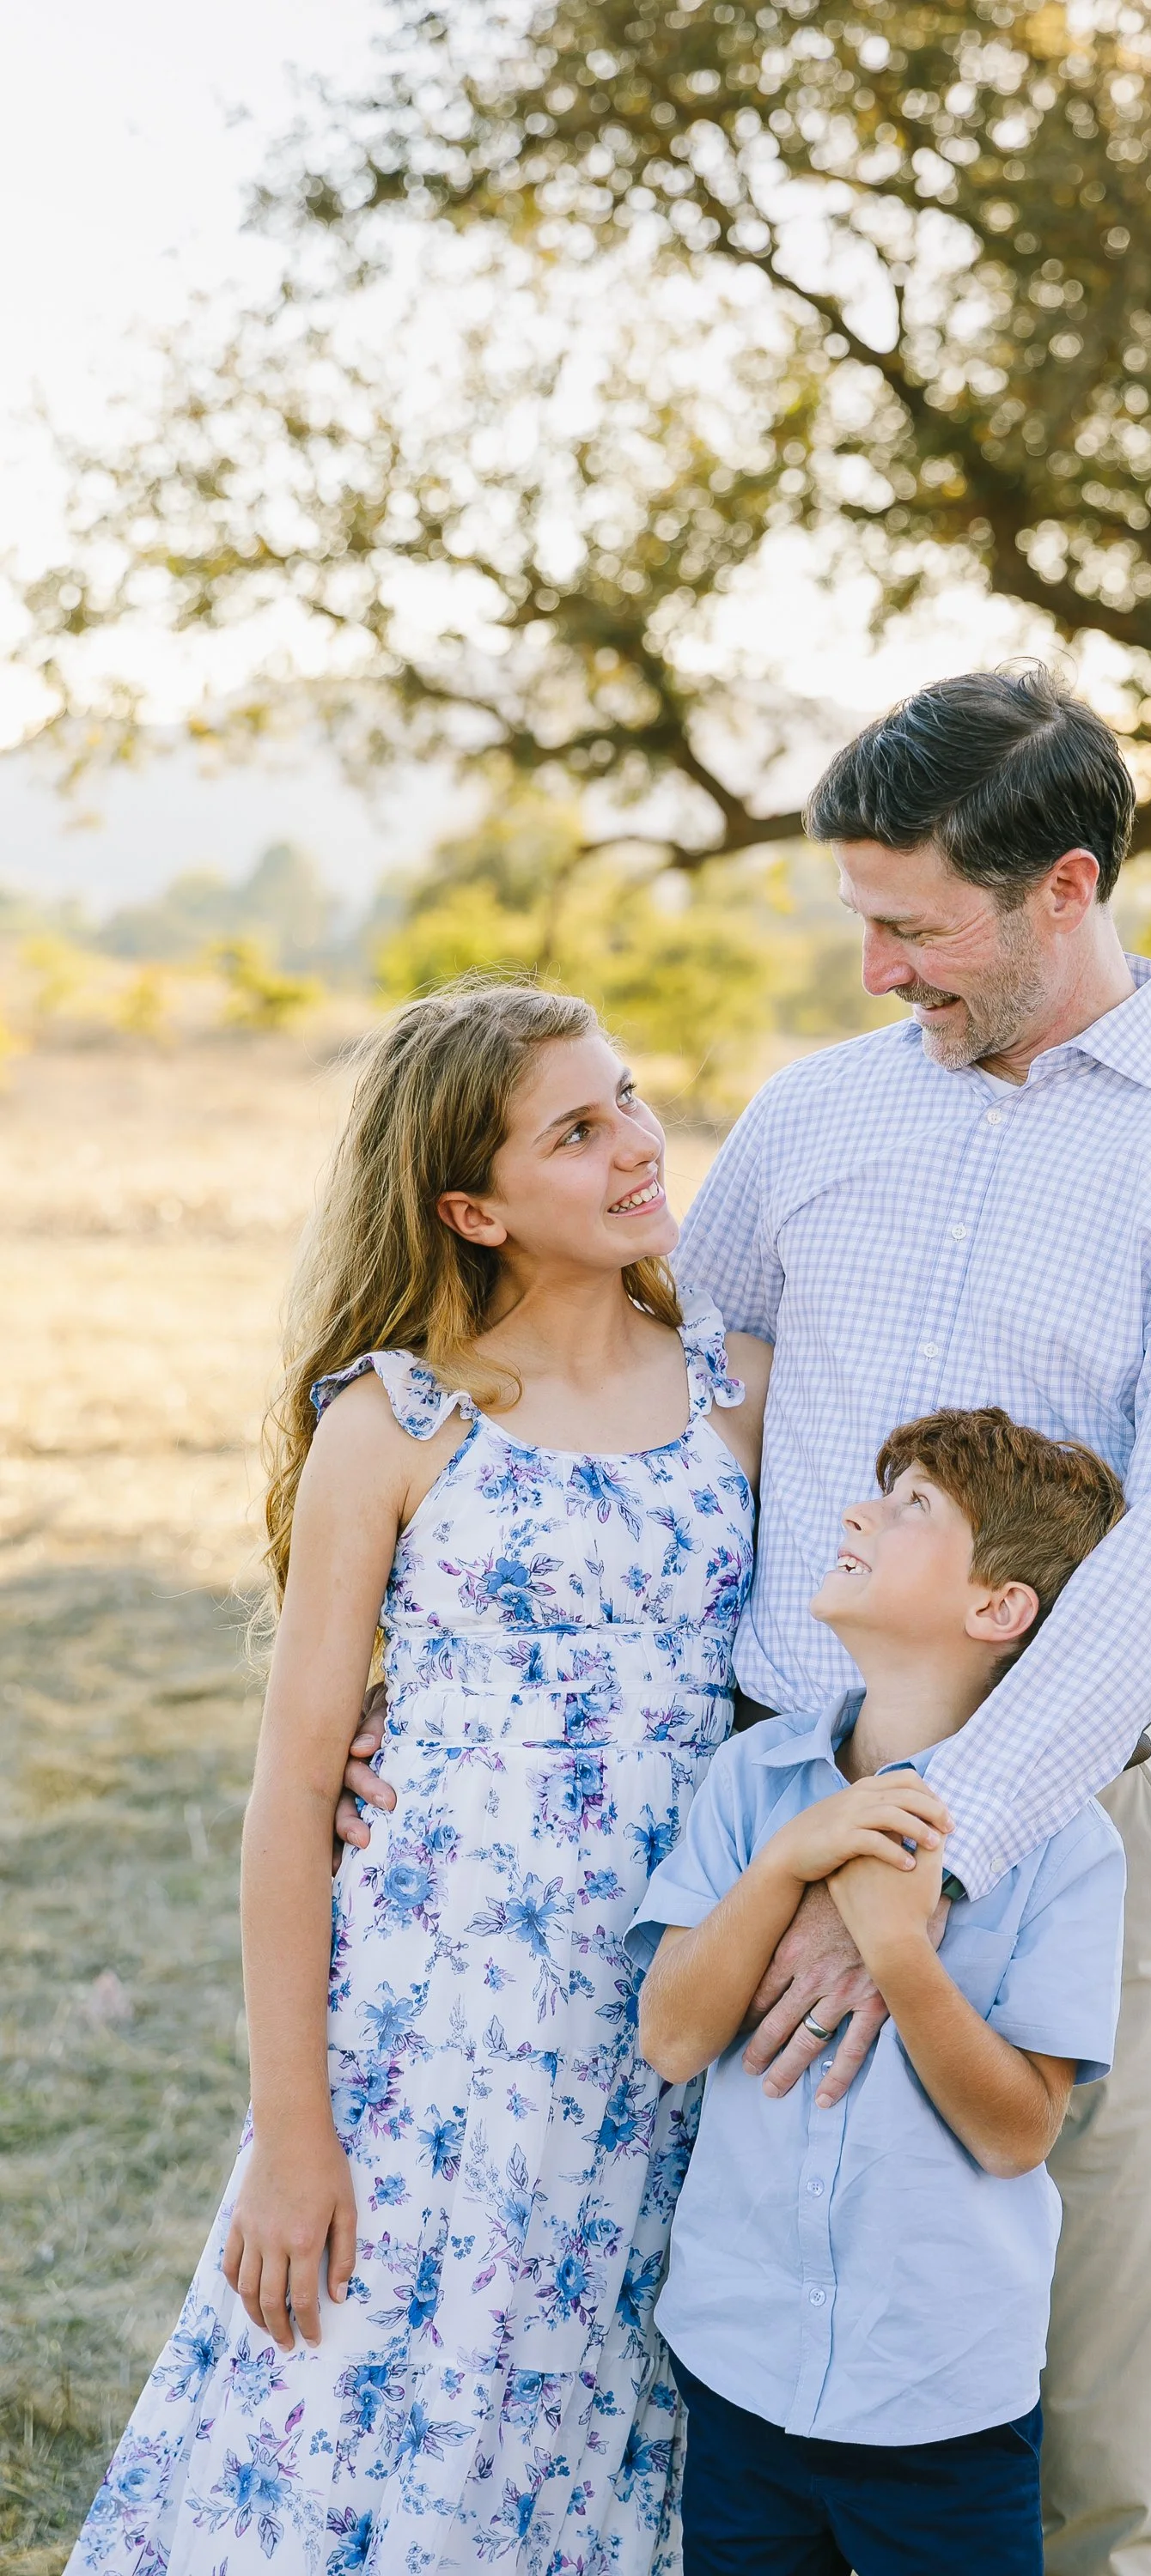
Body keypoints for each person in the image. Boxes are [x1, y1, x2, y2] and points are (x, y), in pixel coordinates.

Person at [339, 665, 1151, 2570]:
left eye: (916, 929)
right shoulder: (810, 1121)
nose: (876, 970)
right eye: (861, 923)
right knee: (722, 2401)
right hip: (752, 1805)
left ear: (1063, 888)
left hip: (1060, 1830)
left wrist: (918, 1865)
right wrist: (444, 1671)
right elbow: (638, 1408)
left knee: (1079, 2456)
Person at [69, 981, 768, 2576]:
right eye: (574, 1131)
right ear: (473, 1209)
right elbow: (291, 1799)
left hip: (669, 2011)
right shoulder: (401, 1422)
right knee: (364, 2404)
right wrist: (291, 2135)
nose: (637, 1143)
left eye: (629, 1097)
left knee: (594, 2412)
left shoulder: (740, 1392)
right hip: (436, 2028)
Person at [630, 1408, 1130, 2576]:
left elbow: (1017, 2134)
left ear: (999, 1608)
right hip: (741, 2369)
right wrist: (785, 1866)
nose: (859, 1511)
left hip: (939, 2400)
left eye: (913, 1506)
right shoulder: (755, 1781)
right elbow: (671, 2037)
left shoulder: (1065, 1849)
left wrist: (899, 1952)